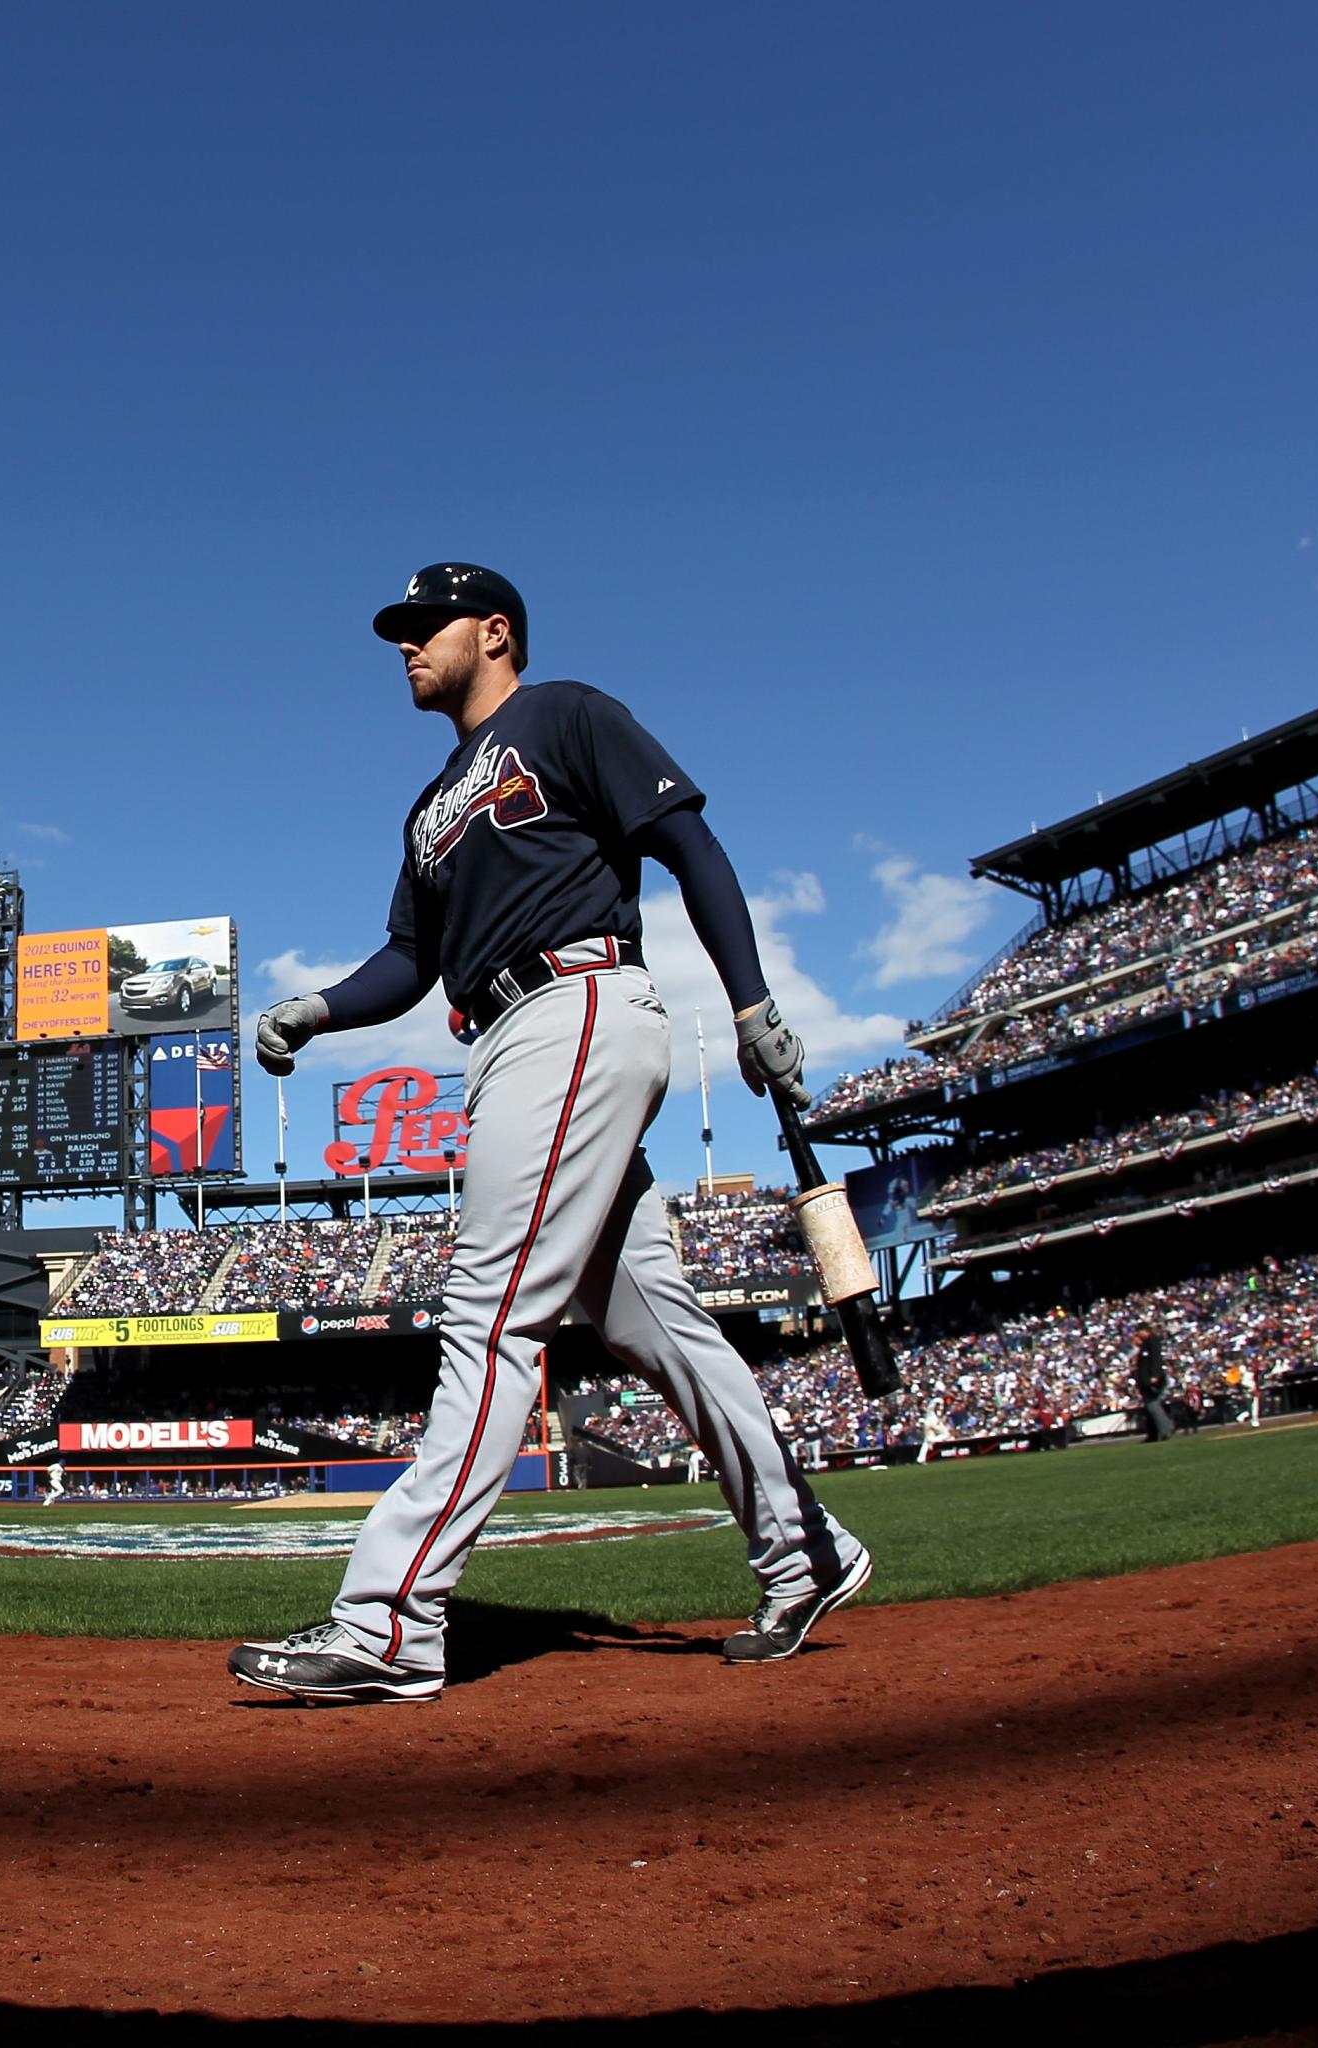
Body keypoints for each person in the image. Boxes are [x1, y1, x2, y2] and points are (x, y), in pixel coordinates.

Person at [225, 564, 869, 1706]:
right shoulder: (427, 806)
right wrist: (316, 1008)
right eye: (401, 631)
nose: (407, 645)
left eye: (427, 626)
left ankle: (389, 1620)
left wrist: (754, 1003)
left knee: (491, 1307)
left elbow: (690, 847)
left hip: (578, 1007)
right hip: (507, 1037)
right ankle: (802, 1544)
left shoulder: (565, 712)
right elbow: (410, 966)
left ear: (496, 631)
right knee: (649, 1316)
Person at [1132, 1325, 1176, 1442]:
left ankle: (1166, 1428)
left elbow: (1156, 1359)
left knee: (1153, 1406)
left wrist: (1155, 1375)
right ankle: (1155, 1433)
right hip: (1146, 1381)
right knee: (1150, 1408)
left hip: (1152, 1380)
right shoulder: (1145, 1345)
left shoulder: (1152, 1341)